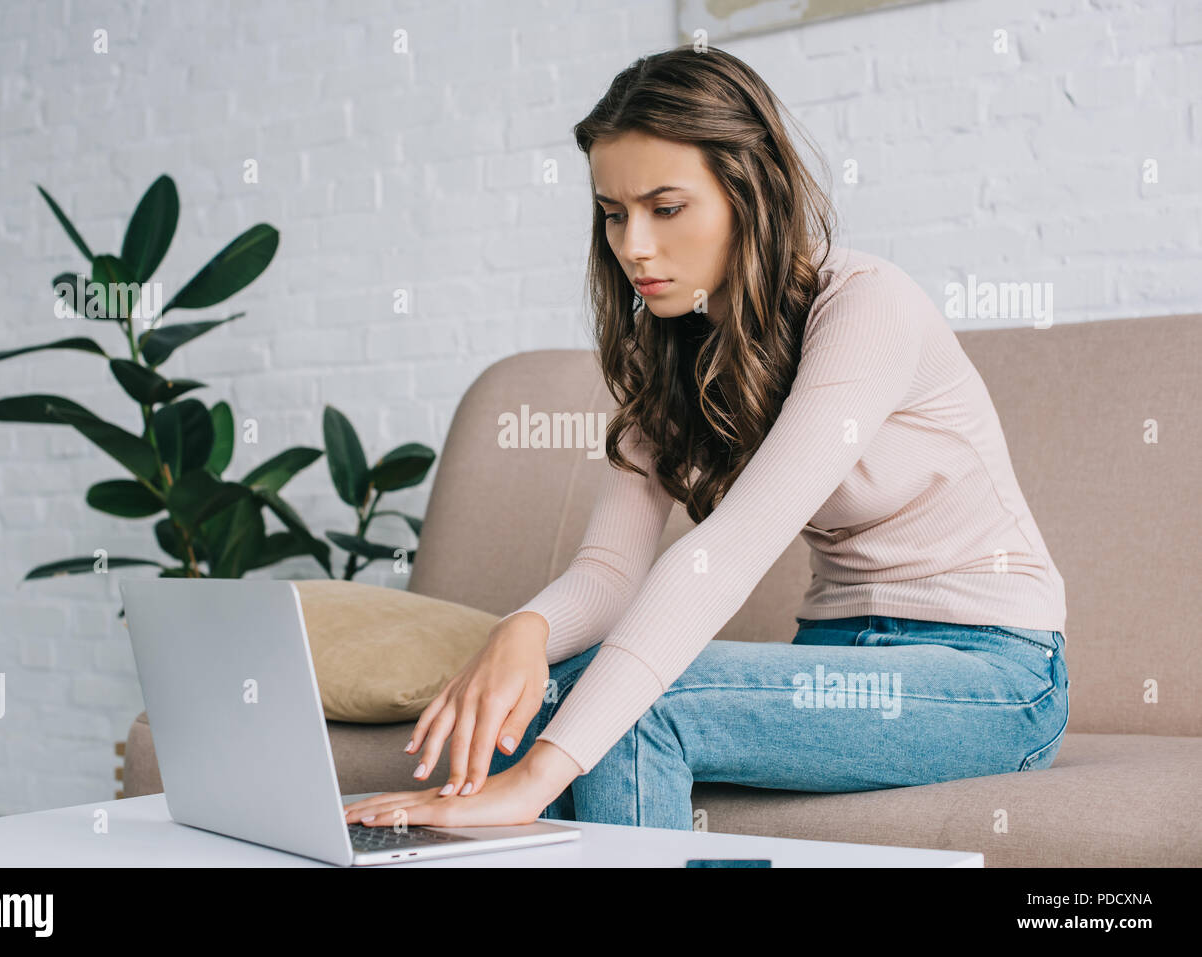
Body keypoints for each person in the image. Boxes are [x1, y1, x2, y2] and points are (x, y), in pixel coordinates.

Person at [343, 45, 1068, 831]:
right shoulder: (672, 347)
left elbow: (728, 550)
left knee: (641, 706)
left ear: (748, 191)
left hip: (992, 671)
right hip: (836, 650)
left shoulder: (867, 308)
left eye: (666, 206)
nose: (633, 246)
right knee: (553, 687)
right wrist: (526, 630)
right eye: (614, 213)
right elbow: (609, 571)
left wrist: (537, 777)